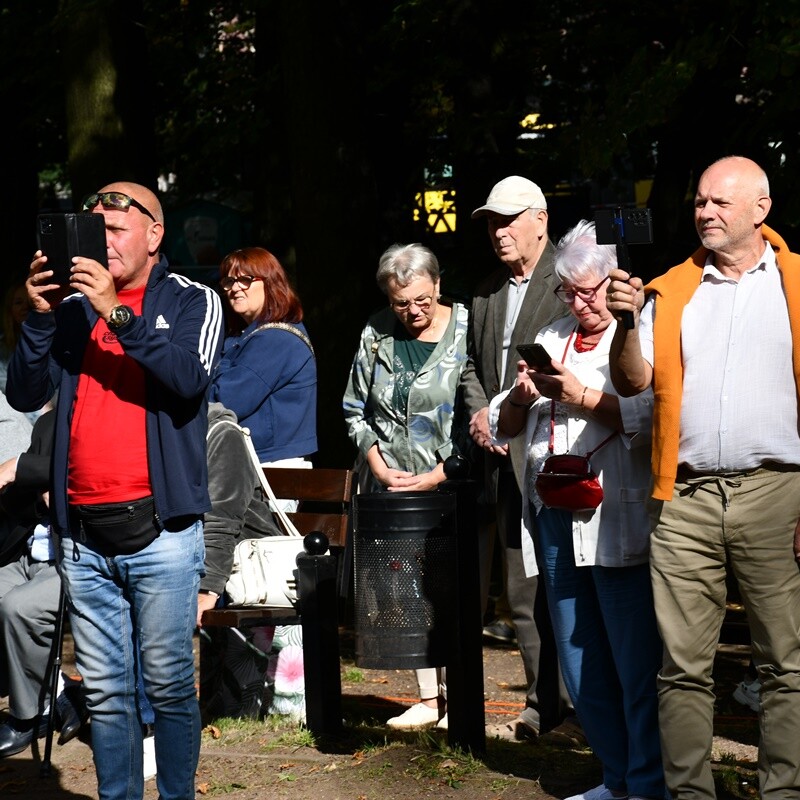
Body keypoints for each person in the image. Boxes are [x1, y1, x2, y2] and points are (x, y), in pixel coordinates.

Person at [606, 155, 800, 800]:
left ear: (759, 210)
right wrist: (626, 322)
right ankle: (690, 795)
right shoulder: (669, 290)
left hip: (776, 493)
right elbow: (633, 381)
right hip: (682, 497)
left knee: (784, 663)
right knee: (682, 667)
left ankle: (782, 794)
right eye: (699, 202)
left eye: (719, 202)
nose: (704, 213)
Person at [6, 182, 223, 800]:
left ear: (155, 235)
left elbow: (187, 378)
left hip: (163, 530)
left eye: (116, 231)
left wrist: (116, 313)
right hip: (83, 537)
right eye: (93, 232)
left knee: (170, 684)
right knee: (106, 691)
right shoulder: (70, 309)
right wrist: (42, 316)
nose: (101, 245)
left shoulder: (191, 300)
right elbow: (24, 393)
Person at [490, 221, 664, 800]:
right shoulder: (554, 334)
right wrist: (520, 395)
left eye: (591, 290)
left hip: (615, 513)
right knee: (577, 655)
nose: (581, 302)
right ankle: (615, 778)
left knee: (632, 660)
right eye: (569, 291)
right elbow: (502, 424)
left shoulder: (639, 337)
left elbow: (650, 419)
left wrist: (579, 396)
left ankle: (646, 782)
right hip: (554, 515)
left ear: (613, 285)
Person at [460, 176, 581, 745]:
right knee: (521, 589)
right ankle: (544, 703)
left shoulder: (572, 280)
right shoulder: (485, 293)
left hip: (562, 458)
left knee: (566, 585)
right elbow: (468, 368)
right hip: (499, 461)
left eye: (508, 220)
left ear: (541, 219)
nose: (498, 231)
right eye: (490, 221)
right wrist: (483, 413)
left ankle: (578, 702)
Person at [343, 243, 470, 729]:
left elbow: (476, 407)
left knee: (447, 590)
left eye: (421, 299)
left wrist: (443, 472)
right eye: (402, 303)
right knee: (401, 588)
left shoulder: (465, 328)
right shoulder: (376, 331)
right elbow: (355, 408)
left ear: (437, 285)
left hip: (447, 483)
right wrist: (375, 464)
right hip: (390, 484)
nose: (413, 312)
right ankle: (427, 697)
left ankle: (457, 694)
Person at [0, 403, 88, 758]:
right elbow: (17, 498)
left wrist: (27, 471)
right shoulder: (49, 423)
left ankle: (27, 716)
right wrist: (35, 489)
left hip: (79, 553)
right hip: (30, 547)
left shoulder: (104, 419)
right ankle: (58, 696)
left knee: (17, 607)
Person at [196, 401, 289, 722]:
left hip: (253, 569)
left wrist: (207, 586)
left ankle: (249, 706)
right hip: (221, 565)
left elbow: (223, 517)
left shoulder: (222, 434)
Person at [208, 247, 317, 472]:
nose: (235, 288)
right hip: (257, 463)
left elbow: (226, 400)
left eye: (245, 280)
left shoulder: (275, 340)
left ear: (270, 282)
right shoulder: (246, 336)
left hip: (270, 467)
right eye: (229, 281)